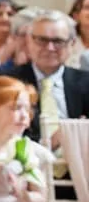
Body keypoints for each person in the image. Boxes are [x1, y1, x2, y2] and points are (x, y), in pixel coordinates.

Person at [5, 10, 89, 141]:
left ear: (72, 44)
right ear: (28, 41)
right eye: (41, 40)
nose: (50, 48)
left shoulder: (86, 82)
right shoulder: (7, 82)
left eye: (58, 41)